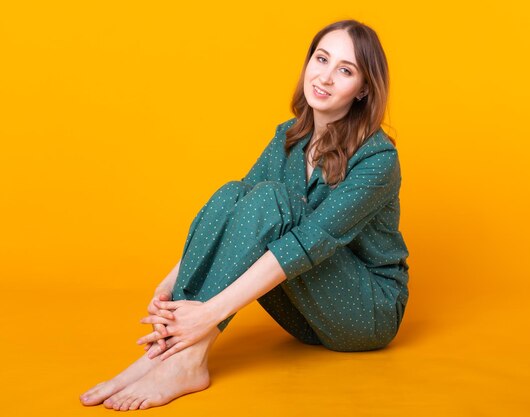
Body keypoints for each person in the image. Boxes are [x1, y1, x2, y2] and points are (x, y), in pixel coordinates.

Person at [79, 19, 409, 411]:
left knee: (273, 202)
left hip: (364, 314)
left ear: (364, 89)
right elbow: (233, 217)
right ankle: (164, 352)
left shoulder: (378, 158)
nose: (325, 76)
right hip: (307, 319)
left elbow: (310, 242)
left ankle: (187, 359)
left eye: (345, 70)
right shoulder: (290, 136)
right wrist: (170, 285)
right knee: (235, 193)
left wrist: (208, 315)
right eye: (321, 59)